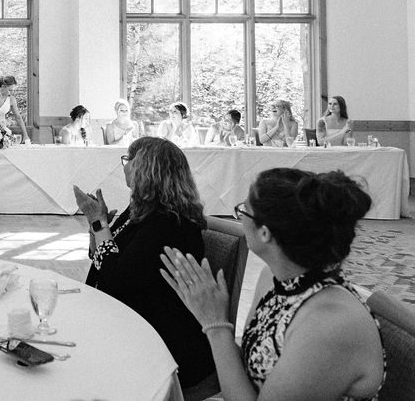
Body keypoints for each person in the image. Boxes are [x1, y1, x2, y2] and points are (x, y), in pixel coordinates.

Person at [160, 168, 384, 400]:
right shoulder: (274, 278)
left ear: (265, 233)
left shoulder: (329, 324)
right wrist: (209, 316)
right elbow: (253, 367)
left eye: (243, 210)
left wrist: (215, 325)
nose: (241, 217)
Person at [73, 137, 216, 392]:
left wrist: (99, 224)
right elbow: (102, 262)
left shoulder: (168, 222)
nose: (124, 166)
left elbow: (116, 281)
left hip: (160, 345)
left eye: (129, 159)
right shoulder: (140, 209)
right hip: (130, 323)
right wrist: (97, 228)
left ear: (147, 168)